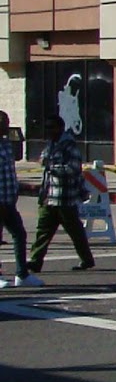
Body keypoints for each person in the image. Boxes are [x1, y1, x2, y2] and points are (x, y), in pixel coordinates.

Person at [28, 115, 95, 273]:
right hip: (49, 196)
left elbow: (72, 169)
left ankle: (86, 259)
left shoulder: (69, 147)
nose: (48, 131)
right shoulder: (52, 144)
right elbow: (43, 159)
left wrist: (52, 167)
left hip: (65, 197)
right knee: (43, 230)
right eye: (47, 127)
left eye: (51, 127)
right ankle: (35, 261)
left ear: (60, 128)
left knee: (75, 231)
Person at [0, 110, 41, 287]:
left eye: (6, 122)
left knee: (19, 234)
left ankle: (22, 275)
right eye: (3, 123)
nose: (6, 126)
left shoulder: (6, 144)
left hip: (9, 200)